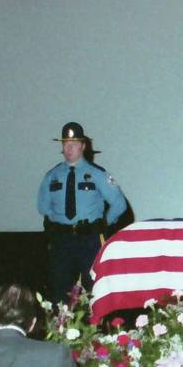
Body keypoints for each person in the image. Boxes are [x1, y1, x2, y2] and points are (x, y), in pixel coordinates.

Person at [37, 121, 128, 304]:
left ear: (83, 146)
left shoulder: (97, 174)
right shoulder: (52, 175)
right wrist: (58, 222)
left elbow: (119, 204)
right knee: (58, 290)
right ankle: (60, 330)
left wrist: (103, 223)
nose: (69, 148)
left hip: (89, 240)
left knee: (93, 290)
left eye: (74, 144)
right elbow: (43, 206)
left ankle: (96, 330)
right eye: (65, 144)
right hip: (61, 241)